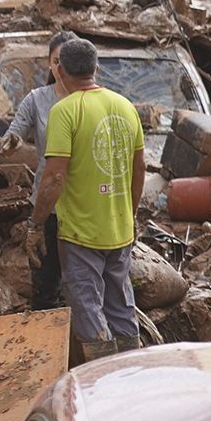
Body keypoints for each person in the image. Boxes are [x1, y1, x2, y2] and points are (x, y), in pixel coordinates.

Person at [28, 38, 147, 362]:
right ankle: (130, 374)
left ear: (61, 70)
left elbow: (53, 178)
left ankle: (103, 382)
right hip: (118, 229)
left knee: (88, 310)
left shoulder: (64, 111)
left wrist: (36, 225)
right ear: (96, 68)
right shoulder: (125, 106)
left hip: (80, 233)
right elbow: (140, 169)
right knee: (122, 307)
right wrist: (129, 213)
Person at [1, 30, 79, 310]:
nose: (62, 68)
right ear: (49, 63)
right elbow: (16, 131)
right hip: (48, 206)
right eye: (56, 61)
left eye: (67, 61)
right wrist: (12, 141)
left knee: (83, 287)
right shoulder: (37, 99)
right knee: (46, 286)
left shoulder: (91, 100)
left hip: (84, 206)